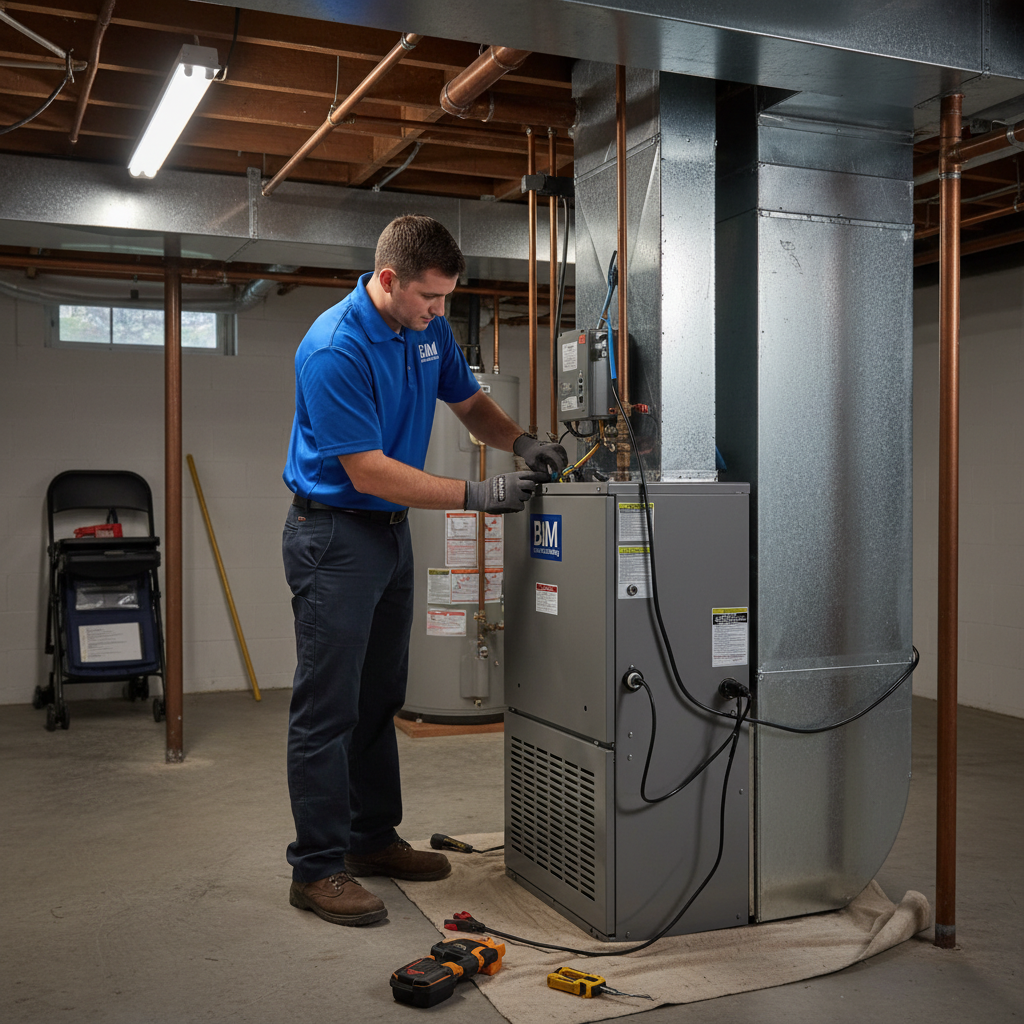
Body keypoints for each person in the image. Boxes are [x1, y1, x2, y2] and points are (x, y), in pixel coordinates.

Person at [281, 214, 567, 926]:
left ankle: (371, 840)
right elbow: (370, 471)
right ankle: (315, 868)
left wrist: (520, 440)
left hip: (388, 537)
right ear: (388, 281)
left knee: (379, 696)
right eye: (430, 300)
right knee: (328, 709)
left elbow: (468, 403)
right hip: (334, 536)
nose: (440, 313)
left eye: (445, 299)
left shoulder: (427, 332)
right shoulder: (334, 349)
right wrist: (476, 495)